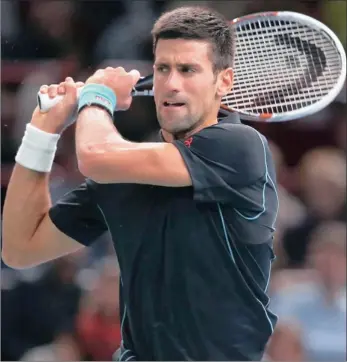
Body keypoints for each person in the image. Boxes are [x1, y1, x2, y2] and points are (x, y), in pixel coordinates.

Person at [2, 6, 279, 361]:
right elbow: (21, 247)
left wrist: (97, 97)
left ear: (223, 82)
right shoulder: (121, 173)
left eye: (188, 69)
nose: (172, 82)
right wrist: (43, 131)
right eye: (163, 68)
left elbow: (94, 156)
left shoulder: (240, 146)